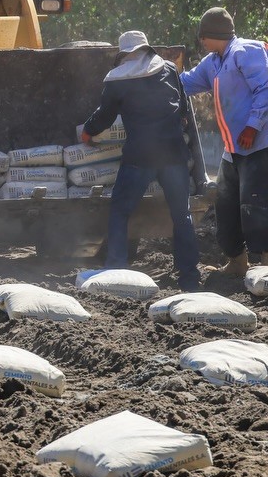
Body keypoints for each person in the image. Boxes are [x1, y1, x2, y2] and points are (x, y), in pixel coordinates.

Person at [179, 7, 268, 276]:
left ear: (214, 34)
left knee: (257, 201)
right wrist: (163, 75)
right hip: (234, 147)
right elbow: (185, 83)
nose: (201, 41)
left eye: (203, 36)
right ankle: (237, 261)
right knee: (225, 202)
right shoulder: (213, 62)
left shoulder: (245, 51)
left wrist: (252, 126)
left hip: (262, 141)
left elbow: (265, 90)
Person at [80, 30, 200, 291]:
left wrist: (88, 131)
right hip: (174, 154)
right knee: (182, 214)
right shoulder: (169, 69)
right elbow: (182, 108)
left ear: (124, 55)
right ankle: (189, 276)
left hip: (139, 157)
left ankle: (116, 268)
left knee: (120, 211)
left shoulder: (118, 79)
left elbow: (105, 115)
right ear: (147, 50)